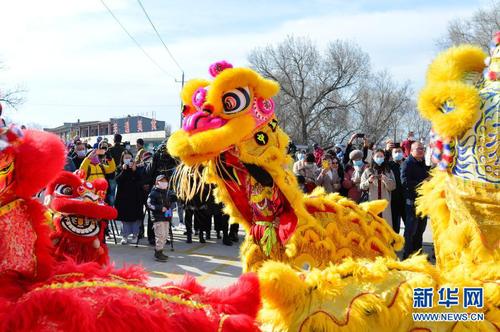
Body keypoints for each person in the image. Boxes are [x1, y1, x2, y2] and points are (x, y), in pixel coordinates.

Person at [401, 142, 430, 259]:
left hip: (424, 201)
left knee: (421, 229)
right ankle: (407, 255)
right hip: (412, 202)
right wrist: (423, 182)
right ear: (411, 151)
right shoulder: (407, 164)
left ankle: (418, 253)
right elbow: (405, 182)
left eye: (423, 148)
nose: (421, 150)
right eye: (418, 149)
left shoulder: (423, 163)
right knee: (410, 230)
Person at [360, 149, 396, 226]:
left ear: (384, 157)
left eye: (381, 156)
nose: (379, 158)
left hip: (385, 204)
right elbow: (362, 186)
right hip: (372, 203)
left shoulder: (388, 171)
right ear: (373, 157)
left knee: (385, 226)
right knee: (373, 227)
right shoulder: (368, 171)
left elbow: (393, 187)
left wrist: (385, 179)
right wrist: (369, 181)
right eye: (377, 156)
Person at [115, 151, 144, 245]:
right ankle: (125, 236)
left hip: (135, 196)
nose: (128, 159)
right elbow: (118, 180)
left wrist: (135, 170)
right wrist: (123, 170)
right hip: (123, 196)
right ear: (122, 159)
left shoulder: (137, 167)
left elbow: (140, 180)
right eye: (125, 158)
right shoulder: (119, 168)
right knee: (125, 217)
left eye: (129, 157)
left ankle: (135, 235)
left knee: (136, 217)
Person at [147, 175, 176, 262]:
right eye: (161, 181)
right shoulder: (153, 193)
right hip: (157, 217)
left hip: (166, 217)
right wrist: (160, 208)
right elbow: (149, 204)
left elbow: (174, 200)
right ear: (157, 182)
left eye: (165, 181)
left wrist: (174, 197)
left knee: (165, 235)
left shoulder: (168, 192)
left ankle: (160, 251)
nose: (164, 183)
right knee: (160, 235)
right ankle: (158, 252)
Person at [388, 145, 406, 234]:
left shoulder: (407, 163)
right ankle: (395, 244)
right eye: (395, 152)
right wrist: (386, 150)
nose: (398, 153)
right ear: (392, 154)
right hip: (394, 199)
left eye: (399, 151)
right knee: (395, 225)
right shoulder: (389, 165)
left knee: (410, 224)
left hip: (406, 199)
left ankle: (408, 245)